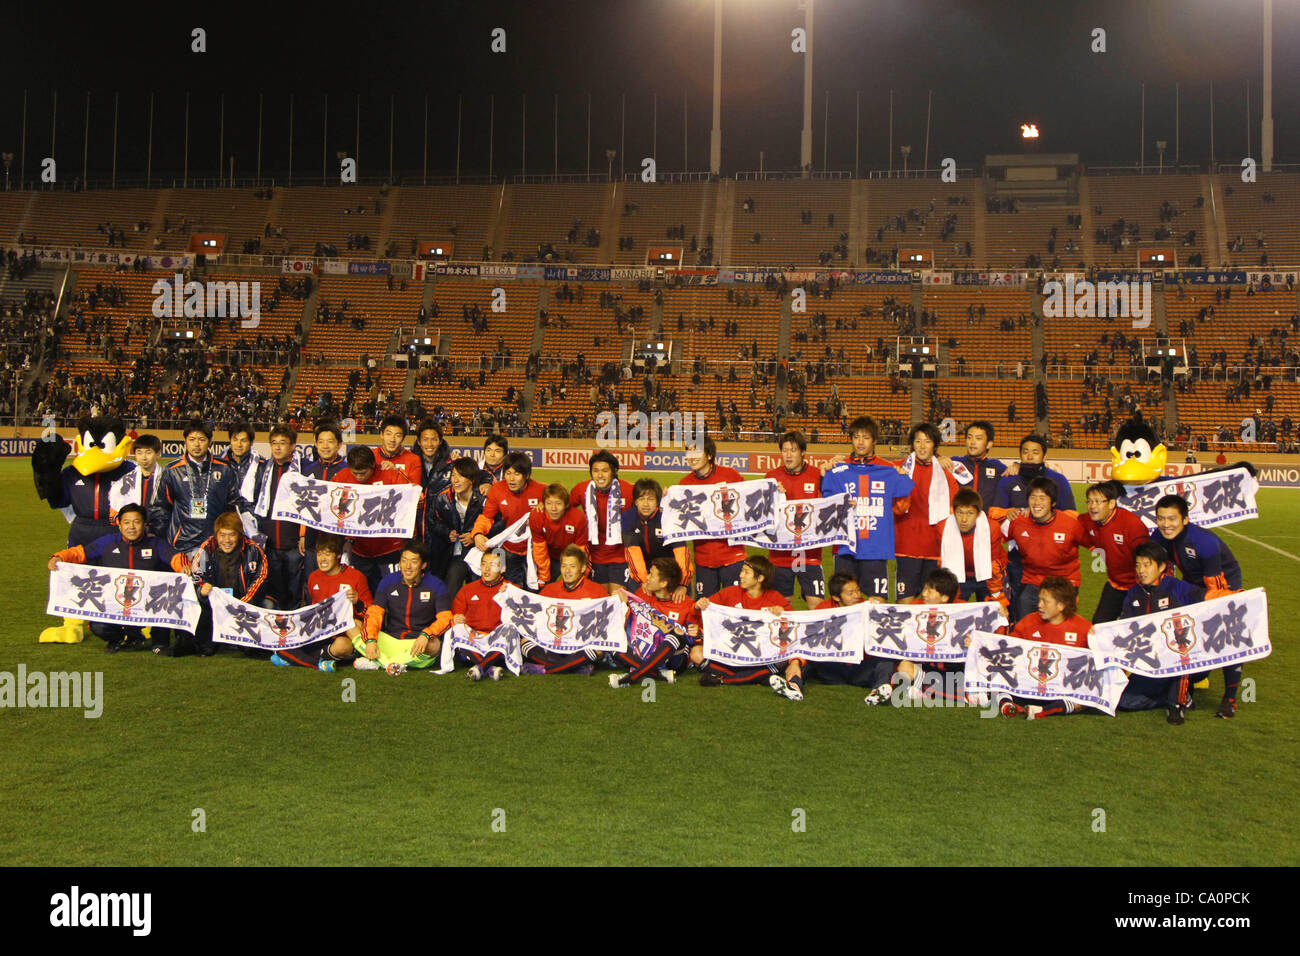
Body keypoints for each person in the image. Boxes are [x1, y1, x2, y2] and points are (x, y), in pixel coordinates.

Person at [46, 503, 189, 653]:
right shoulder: (107, 542)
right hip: (115, 605)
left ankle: (158, 643)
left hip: (146, 605)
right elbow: (80, 553)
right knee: (97, 626)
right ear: (119, 525)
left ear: (144, 524)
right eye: (126, 522)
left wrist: (183, 566)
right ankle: (119, 639)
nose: (131, 527)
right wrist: (59, 557)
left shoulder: (155, 544)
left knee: (164, 603)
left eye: (136, 521)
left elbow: (175, 557)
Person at [1151, 494, 1245, 718]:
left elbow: (1216, 587)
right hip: (1193, 584)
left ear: (1185, 519)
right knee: (1183, 632)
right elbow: (1152, 561)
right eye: (1161, 518)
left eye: (1172, 518)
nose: (1166, 524)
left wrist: (1210, 604)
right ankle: (1187, 685)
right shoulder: (1160, 535)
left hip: (1223, 584)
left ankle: (1230, 698)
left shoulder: (1204, 542)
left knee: (1225, 637)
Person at [1116, 541, 1227, 725]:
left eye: (1146, 565)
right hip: (1151, 662)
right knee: (1124, 702)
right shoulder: (1133, 593)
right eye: (1137, 565)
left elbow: (1208, 599)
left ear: (1161, 567)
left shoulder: (1178, 588)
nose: (1141, 570)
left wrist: (1235, 596)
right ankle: (1168, 696)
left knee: (1180, 652)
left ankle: (1177, 705)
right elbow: (1125, 626)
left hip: (1186, 661)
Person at [819, 416, 913, 600]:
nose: (860, 442)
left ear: (875, 440)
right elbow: (825, 505)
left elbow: (903, 504)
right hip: (845, 547)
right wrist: (825, 474)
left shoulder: (888, 469)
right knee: (844, 603)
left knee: (876, 603)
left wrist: (901, 476)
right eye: (856, 437)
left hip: (875, 548)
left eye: (866, 437)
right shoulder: (838, 469)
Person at [989, 434, 1076, 617]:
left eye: (1035, 452)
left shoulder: (1058, 480)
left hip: (1053, 559)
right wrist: (1011, 513)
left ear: (1044, 456)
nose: (1029, 456)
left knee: (1056, 612)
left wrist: (1041, 516)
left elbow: (1072, 515)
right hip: (1017, 558)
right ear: (1019, 455)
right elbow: (995, 512)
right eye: (1025, 452)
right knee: (1019, 609)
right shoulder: (1008, 479)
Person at [275, 533, 371, 672]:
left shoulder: (356, 577)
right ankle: (317, 663)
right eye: (319, 554)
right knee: (282, 643)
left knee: (343, 645)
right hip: (319, 632)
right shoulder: (314, 577)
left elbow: (371, 612)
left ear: (338, 555)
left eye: (327, 554)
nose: (322, 559)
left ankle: (296, 658)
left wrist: (358, 602)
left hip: (344, 634)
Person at [334, 445, 423, 594]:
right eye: (355, 473)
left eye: (363, 473)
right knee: (362, 592)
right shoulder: (342, 477)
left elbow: (416, 499)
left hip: (389, 548)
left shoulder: (389, 475)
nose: (359, 477)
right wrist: (347, 540)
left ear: (373, 465)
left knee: (393, 592)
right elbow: (333, 511)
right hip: (359, 549)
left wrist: (398, 473)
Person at [998, 577, 1092, 718]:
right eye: (1039, 599)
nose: (1039, 605)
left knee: (1088, 695)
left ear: (1061, 605)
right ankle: (1007, 704)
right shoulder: (1029, 622)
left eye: (1045, 601)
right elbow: (1006, 649)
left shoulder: (1084, 629)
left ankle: (1041, 711)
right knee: (1000, 672)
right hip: (1028, 686)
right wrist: (999, 625)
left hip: (1061, 690)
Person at [354, 539, 451, 674]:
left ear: (423, 565)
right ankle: (394, 663)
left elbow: (446, 618)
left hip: (416, 643)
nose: (408, 566)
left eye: (414, 561)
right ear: (399, 562)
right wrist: (370, 640)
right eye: (404, 561)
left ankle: (378, 662)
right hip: (390, 639)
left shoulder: (436, 585)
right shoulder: (388, 581)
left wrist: (426, 634)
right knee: (353, 624)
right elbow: (374, 613)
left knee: (434, 646)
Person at [694, 555, 792, 687]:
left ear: (760, 578)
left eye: (746, 572)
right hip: (731, 654)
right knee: (696, 654)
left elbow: (792, 628)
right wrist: (699, 605)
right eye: (741, 571)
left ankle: (723, 679)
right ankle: (755, 677)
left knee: (782, 660)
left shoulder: (775, 599)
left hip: (760, 657)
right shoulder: (730, 593)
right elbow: (701, 609)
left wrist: (782, 614)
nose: (740, 575)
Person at [892, 422, 961, 599]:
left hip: (935, 547)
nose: (922, 446)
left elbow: (954, 508)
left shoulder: (945, 473)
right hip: (906, 545)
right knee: (905, 603)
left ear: (935, 445)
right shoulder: (898, 469)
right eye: (918, 441)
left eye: (927, 441)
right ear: (912, 444)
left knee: (931, 603)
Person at [157, 420, 244, 560]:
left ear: (210, 442)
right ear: (185, 441)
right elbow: (162, 508)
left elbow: (233, 506)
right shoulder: (172, 470)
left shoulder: (225, 468)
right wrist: (162, 541)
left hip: (216, 544)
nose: (196, 444)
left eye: (202, 440)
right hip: (182, 545)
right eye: (192, 439)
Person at [241, 425, 306, 610]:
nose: (277, 448)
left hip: (293, 544)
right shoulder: (262, 470)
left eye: (283, 443)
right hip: (268, 543)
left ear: (293, 446)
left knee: (294, 591)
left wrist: (302, 534)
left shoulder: (301, 470)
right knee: (274, 591)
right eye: (274, 443)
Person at [610, 556, 701, 687]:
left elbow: (695, 637)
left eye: (651, 575)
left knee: (676, 634)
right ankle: (656, 674)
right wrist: (620, 602)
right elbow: (627, 623)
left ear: (663, 583)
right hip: (643, 653)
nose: (646, 578)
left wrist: (695, 633)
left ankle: (632, 677)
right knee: (614, 642)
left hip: (673, 660)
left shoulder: (685, 603)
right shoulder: (643, 593)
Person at [1007, 477, 1088, 621]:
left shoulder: (1071, 524)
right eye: (1033, 497)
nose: (1037, 503)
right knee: (1025, 625)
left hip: (1064, 582)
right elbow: (993, 535)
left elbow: (1096, 543)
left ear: (1053, 503)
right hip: (1032, 581)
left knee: (1060, 629)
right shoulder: (1017, 522)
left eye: (1042, 498)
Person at [190, 510, 270, 657]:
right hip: (215, 602)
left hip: (245, 602)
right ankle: (206, 645)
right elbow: (195, 575)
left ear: (239, 534)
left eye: (232, 534)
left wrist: (242, 604)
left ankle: (251, 645)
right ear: (216, 535)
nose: (227, 540)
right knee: (195, 603)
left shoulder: (253, 550)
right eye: (222, 535)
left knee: (268, 605)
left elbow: (261, 579)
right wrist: (202, 590)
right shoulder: (206, 548)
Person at [521, 546, 609, 675]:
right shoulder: (549, 590)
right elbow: (535, 615)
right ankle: (577, 668)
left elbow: (607, 621)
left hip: (581, 645)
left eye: (572, 566)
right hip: (554, 643)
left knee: (598, 650)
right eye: (564, 566)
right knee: (525, 642)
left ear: (583, 568)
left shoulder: (597, 591)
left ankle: (545, 669)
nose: (567, 571)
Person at [680, 437, 749, 597]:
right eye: (689, 451)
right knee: (706, 610)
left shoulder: (730, 475)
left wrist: (775, 491)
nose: (692, 456)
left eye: (697, 451)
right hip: (704, 560)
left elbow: (749, 499)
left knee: (735, 607)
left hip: (733, 557)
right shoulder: (684, 485)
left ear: (709, 455)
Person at [764, 430, 826, 605]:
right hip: (780, 555)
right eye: (785, 450)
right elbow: (763, 515)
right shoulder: (771, 478)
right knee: (781, 609)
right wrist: (773, 495)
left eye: (793, 450)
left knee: (818, 607)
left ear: (803, 452)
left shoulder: (817, 476)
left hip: (810, 553)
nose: (788, 455)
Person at [1077, 480, 1149, 623]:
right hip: (1115, 583)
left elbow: (1147, 558)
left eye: (1098, 501)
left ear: (1111, 503)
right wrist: (1094, 548)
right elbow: (1071, 521)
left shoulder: (1131, 524)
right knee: (1099, 627)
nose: (1092, 506)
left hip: (1139, 585)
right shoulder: (1086, 520)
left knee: (1136, 627)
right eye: (1089, 501)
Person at [472, 451, 546, 588]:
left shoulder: (542, 490)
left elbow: (561, 508)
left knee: (537, 591)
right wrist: (477, 533)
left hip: (536, 550)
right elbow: (487, 517)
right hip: (508, 548)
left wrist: (547, 507)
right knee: (511, 589)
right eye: (508, 473)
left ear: (527, 476)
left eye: (517, 474)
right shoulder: (497, 489)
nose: (511, 479)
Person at [569, 450, 634, 592]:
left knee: (618, 602)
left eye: (605, 470)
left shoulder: (629, 490)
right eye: (595, 470)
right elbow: (563, 507)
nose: (600, 475)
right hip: (594, 556)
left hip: (621, 556)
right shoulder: (582, 490)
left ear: (614, 471)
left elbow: (650, 503)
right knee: (601, 600)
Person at [298, 421, 349, 598]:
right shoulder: (308, 470)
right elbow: (302, 505)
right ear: (316, 444)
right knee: (311, 582)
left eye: (330, 441)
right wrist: (303, 534)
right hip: (313, 539)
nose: (325, 446)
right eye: (321, 441)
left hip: (338, 539)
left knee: (338, 586)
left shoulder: (347, 471)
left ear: (339, 444)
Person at [622, 478, 693, 597]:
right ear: (635, 501)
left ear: (658, 501)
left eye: (650, 499)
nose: (645, 504)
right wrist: (644, 580)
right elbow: (632, 552)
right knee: (640, 607)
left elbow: (682, 552)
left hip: (670, 570)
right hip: (644, 569)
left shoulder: (669, 517)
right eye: (641, 499)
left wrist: (683, 583)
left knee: (679, 604)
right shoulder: (628, 517)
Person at [450, 550, 512, 680]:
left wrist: (508, 596)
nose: (487, 568)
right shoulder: (468, 589)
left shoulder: (511, 589)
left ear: (503, 568)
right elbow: (456, 614)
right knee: (457, 628)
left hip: (497, 640)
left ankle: (480, 667)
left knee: (510, 630)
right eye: (484, 564)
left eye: (493, 565)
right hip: (474, 639)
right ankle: (490, 668)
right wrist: (457, 618)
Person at [939, 487, 1008, 607]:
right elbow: (940, 564)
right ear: (953, 512)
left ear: (978, 514)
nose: (964, 519)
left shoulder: (991, 528)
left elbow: (994, 565)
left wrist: (997, 596)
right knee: (953, 612)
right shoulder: (943, 528)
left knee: (993, 613)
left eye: (970, 513)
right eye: (960, 513)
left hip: (988, 576)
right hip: (958, 576)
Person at [432, 457, 487, 594]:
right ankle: (448, 615)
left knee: (478, 590)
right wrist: (447, 532)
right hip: (456, 553)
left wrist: (475, 535)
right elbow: (432, 521)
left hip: (481, 552)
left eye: (461, 476)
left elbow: (497, 523)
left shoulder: (483, 499)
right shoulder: (443, 497)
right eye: (453, 475)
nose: (455, 480)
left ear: (472, 479)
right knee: (451, 583)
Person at [530, 483, 588, 583]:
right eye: (549, 503)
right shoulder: (536, 516)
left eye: (558, 503)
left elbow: (581, 550)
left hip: (572, 556)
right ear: (543, 504)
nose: (553, 508)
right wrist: (544, 577)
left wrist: (581, 576)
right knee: (542, 587)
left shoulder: (578, 517)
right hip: (550, 556)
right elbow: (539, 549)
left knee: (577, 586)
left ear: (566, 505)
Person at [953, 420, 1005, 509]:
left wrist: (1017, 466)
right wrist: (938, 460)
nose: (972, 442)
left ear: (989, 444)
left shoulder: (998, 467)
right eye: (969, 437)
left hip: (986, 520)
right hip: (959, 519)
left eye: (978, 438)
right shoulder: (953, 463)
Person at [131, 434, 166, 537]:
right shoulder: (126, 480)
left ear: (158, 453)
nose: (144, 458)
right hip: (134, 530)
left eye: (148, 452)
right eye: (139, 453)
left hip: (159, 531)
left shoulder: (167, 478)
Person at [375, 414, 422, 484]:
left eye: (398, 435)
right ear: (381, 435)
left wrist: (395, 472)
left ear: (403, 438)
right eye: (388, 434)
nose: (392, 439)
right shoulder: (370, 456)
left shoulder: (413, 460)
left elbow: (414, 491)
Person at [225, 422, 259, 492]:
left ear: (251, 442)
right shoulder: (220, 464)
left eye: (243, 441)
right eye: (235, 440)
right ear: (230, 441)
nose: (239, 444)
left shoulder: (260, 466)